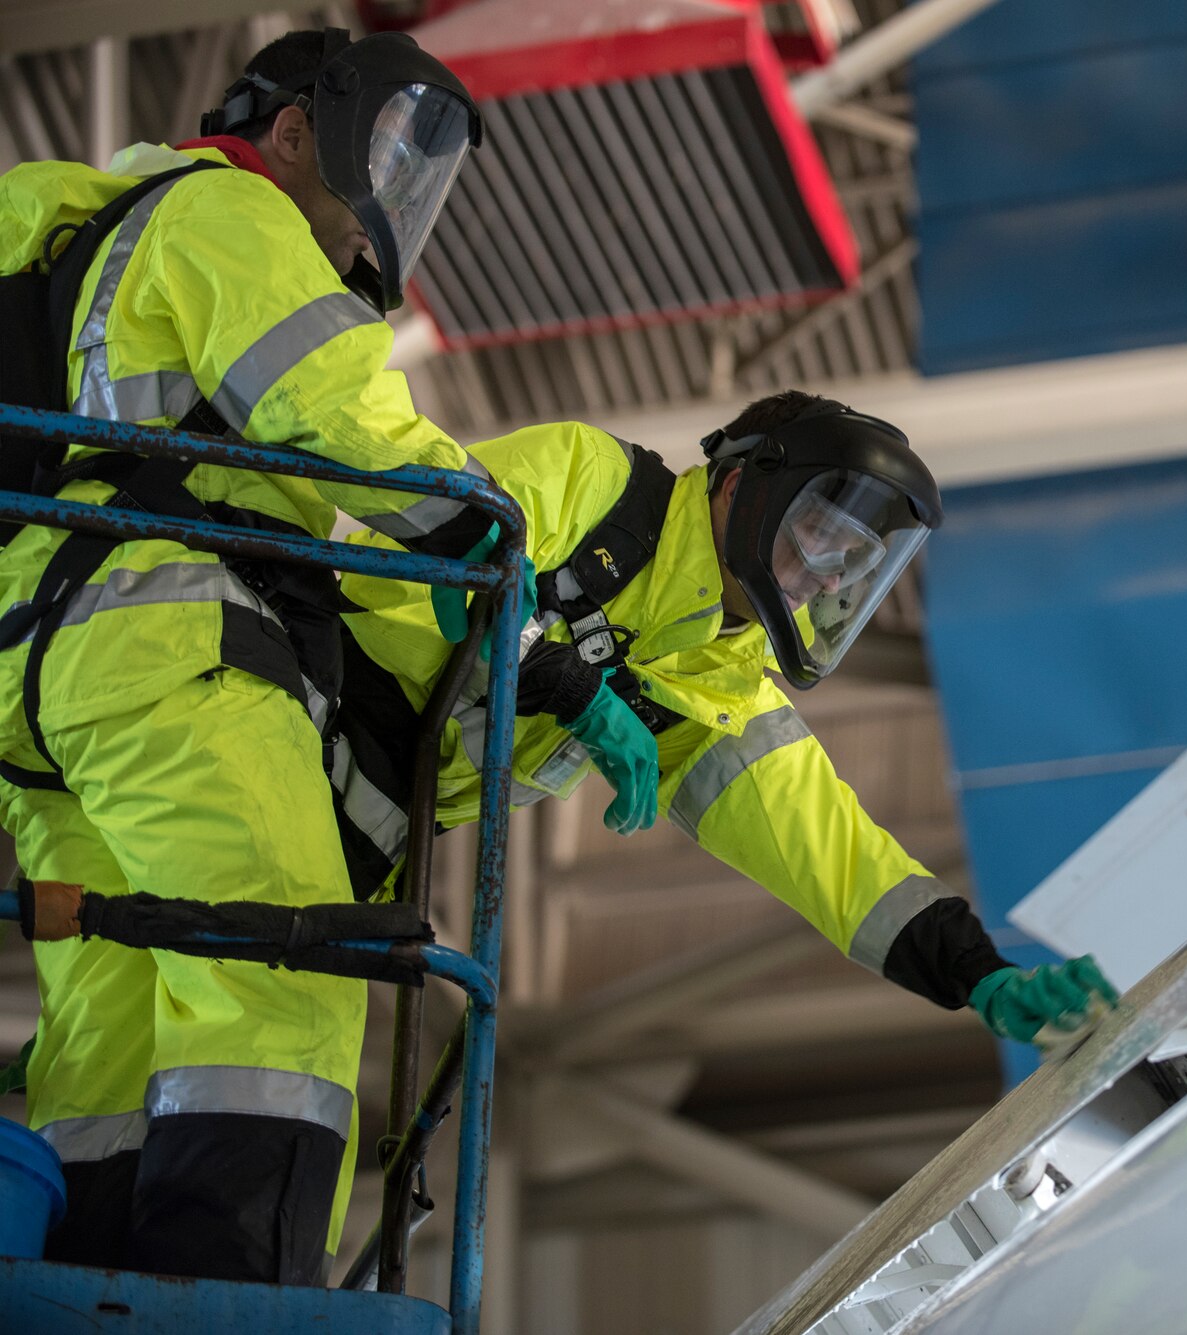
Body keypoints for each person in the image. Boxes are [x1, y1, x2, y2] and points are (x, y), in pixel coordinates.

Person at [0, 28, 534, 1283]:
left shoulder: (81, 243)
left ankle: (81, 1285)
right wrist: (490, 542)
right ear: (294, 128)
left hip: (35, 677)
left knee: (114, 1013)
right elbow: (340, 416)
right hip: (165, 643)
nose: (379, 227)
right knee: (283, 970)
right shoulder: (231, 212)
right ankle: (231, 1297)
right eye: (380, 168)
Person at [336, 391, 1118, 1043]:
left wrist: (981, 973)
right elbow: (455, 551)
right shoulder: (588, 476)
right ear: (743, 488)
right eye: (821, 532)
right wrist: (574, 690)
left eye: (854, 560)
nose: (828, 574)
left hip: (368, 852)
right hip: (297, 711)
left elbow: (839, 861)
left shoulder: (719, 694)